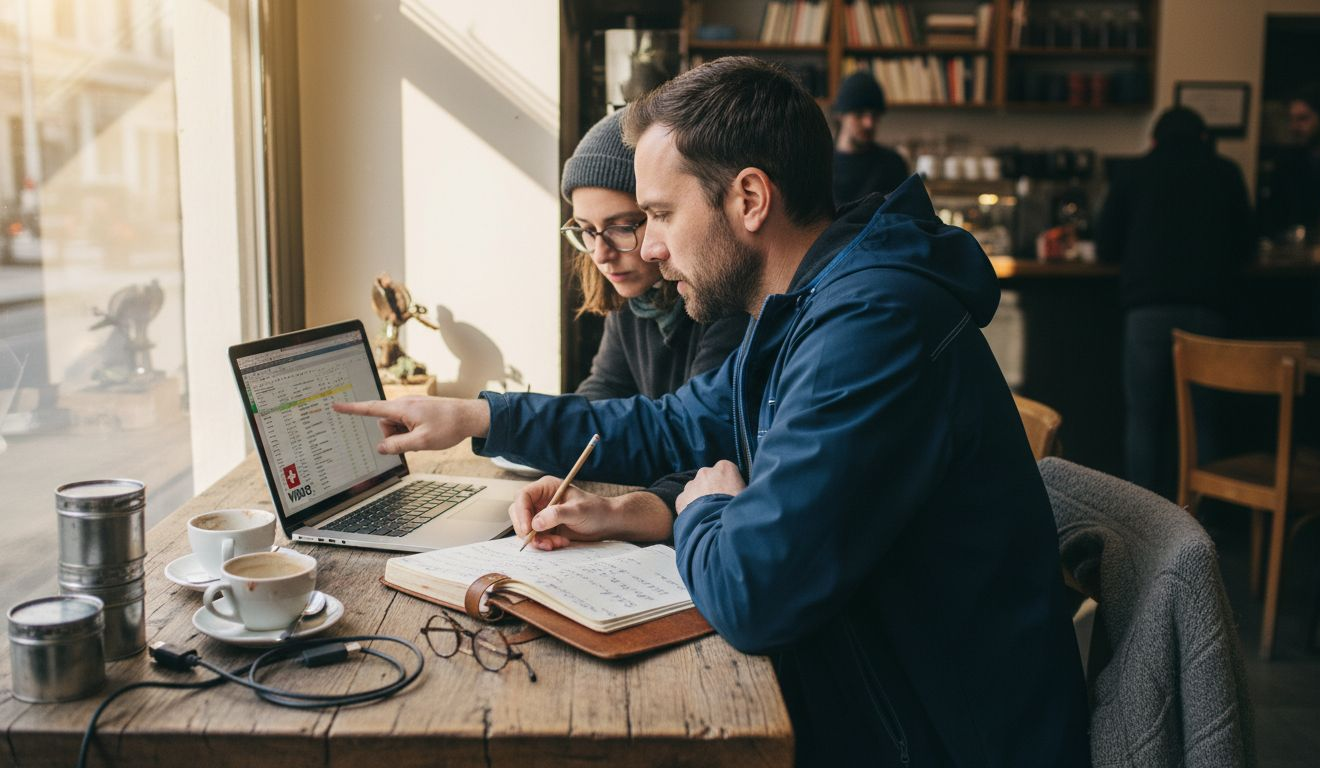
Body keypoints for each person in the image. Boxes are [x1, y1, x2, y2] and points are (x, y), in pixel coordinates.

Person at [336, 57, 1089, 766]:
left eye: (660, 213)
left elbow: (753, 595)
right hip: (874, 688)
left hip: (931, 738)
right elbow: (674, 424)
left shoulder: (871, 328)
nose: (651, 247)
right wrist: (501, 427)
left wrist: (702, 513)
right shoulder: (810, 309)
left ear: (750, 199)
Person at [1097, 106, 1253, 498]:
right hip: (1209, 308)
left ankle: (1143, 518)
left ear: (1154, 141)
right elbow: (1247, 245)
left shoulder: (1132, 173)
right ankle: (1201, 519)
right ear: (1204, 138)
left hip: (1147, 308)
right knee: (1203, 419)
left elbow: (1105, 247)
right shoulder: (1226, 173)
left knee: (1143, 418)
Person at [563, 110, 747, 401]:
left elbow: (688, 425)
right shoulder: (637, 294)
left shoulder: (724, 297)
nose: (601, 254)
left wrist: (505, 418)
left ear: (661, 214)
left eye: (622, 227)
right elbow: (606, 387)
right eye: (586, 230)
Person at [1262, 83, 1320, 241]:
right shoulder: (1287, 162)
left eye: (1303, 119)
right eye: (1291, 119)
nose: (1294, 127)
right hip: (1295, 253)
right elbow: (1273, 215)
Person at [831, 70, 909, 207]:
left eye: (875, 115)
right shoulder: (819, 163)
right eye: (859, 114)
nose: (869, 123)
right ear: (840, 115)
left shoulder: (893, 165)